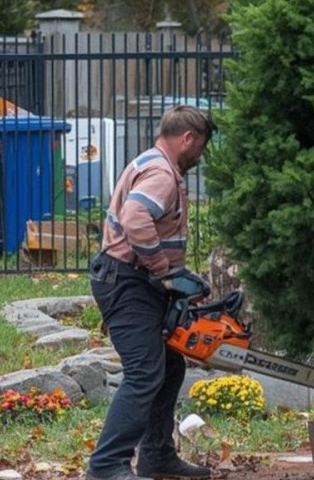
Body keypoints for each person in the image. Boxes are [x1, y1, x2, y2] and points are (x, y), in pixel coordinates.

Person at [85, 105, 217, 480]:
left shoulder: (152, 162)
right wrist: (163, 269)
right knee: (144, 371)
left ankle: (157, 455)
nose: (200, 156)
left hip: (132, 278)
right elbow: (135, 217)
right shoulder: (162, 173)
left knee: (170, 365)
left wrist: (180, 278)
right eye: (201, 146)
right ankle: (106, 465)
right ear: (188, 138)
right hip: (128, 281)